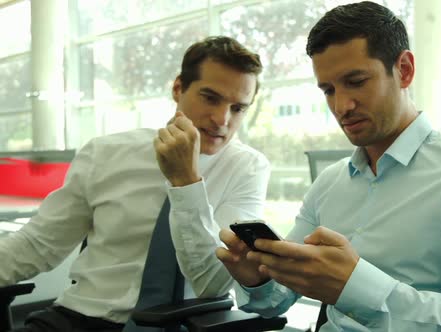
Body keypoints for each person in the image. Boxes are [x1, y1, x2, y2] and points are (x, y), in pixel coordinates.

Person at [216, 2, 441, 331]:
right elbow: (275, 302)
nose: (341, 106)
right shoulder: (330, 184)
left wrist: (356, 288)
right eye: (329, 90)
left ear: (404, 70)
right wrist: (256, 279)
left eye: (356, 81)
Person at [0, 36, 270, 332]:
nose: (222, 119)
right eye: (210, 98)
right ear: (178, 88)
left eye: (238, 108)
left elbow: (210, 281)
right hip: (79, 316)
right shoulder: (105, 153)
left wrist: (186, 182)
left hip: (180, 324)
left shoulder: (247, 168)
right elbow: (39, 244)